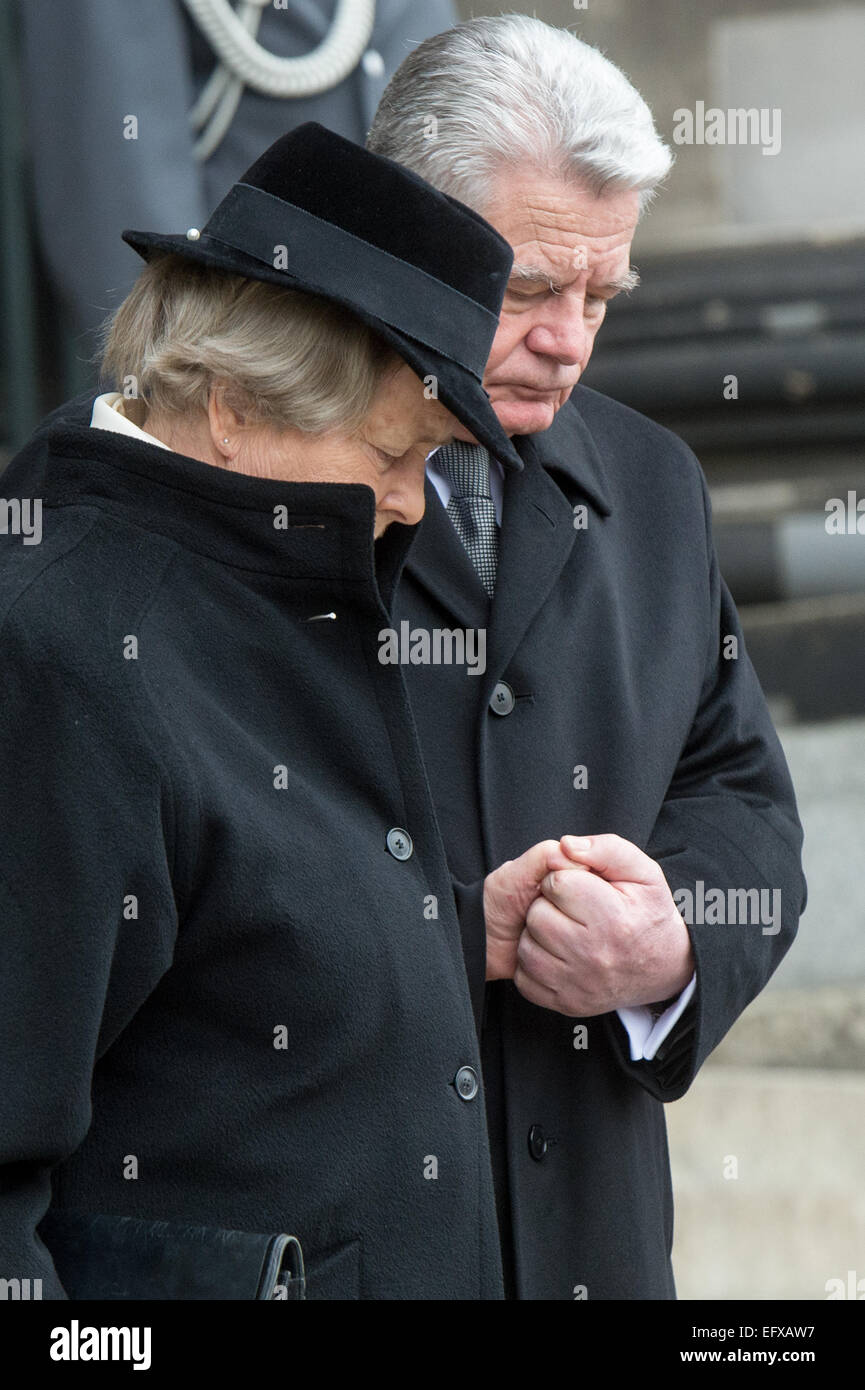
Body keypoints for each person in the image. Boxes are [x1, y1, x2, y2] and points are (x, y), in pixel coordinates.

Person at [0, 121, 538, 1300]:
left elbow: (217, 941)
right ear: (235, 403)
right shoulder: (54, 643)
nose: (414, 505)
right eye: (394, 453)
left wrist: (449, 926)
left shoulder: (247, 569)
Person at [366, 15, 808, 1299]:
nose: (570, 338)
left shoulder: (654, 481)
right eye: (524, 290)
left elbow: (740, 797)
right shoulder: (243, 486)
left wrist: (667, 950)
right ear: (403, 228)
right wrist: (462, 937)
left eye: (599, 297)